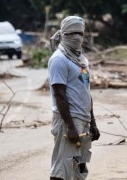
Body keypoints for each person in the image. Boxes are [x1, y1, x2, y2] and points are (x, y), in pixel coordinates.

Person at [48, 16, 100, 180]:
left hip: (83, 119)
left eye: (80, 33)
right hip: (67, 120)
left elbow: (86, 90)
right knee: (61, 169)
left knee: (80, 168)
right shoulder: (58, 60)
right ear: (64, 34)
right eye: (73, 33)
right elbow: (59, 94)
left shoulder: (82, 61)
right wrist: (70, 126)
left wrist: (92, 122)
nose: (77, 36)